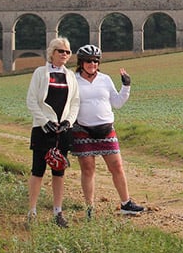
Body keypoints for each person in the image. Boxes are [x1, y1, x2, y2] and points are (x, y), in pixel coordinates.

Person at [71, 44, 144, 217]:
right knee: (88, 169)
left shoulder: (105, 79)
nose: (92, 64)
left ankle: (126, 203)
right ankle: (90, 208)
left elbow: (117, 103)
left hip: (106, 129)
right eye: (88, 61)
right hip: (83, 130)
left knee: (117, 166)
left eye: (95, 61)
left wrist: (126, 86)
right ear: (81, 63)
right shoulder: (73, 80)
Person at [25, 36, 80, 228]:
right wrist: (43, 121)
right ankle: (32, 212)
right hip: (42, 129)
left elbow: (75, 102)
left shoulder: (71, 76)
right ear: (52, 53)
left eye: (67, 51)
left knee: (59, 171)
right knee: (38, 171)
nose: (65, 54)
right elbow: (32, 100)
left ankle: (58, 212)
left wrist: (68, 121)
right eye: (61, 51)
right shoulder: (40, 73)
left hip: (62, 130)